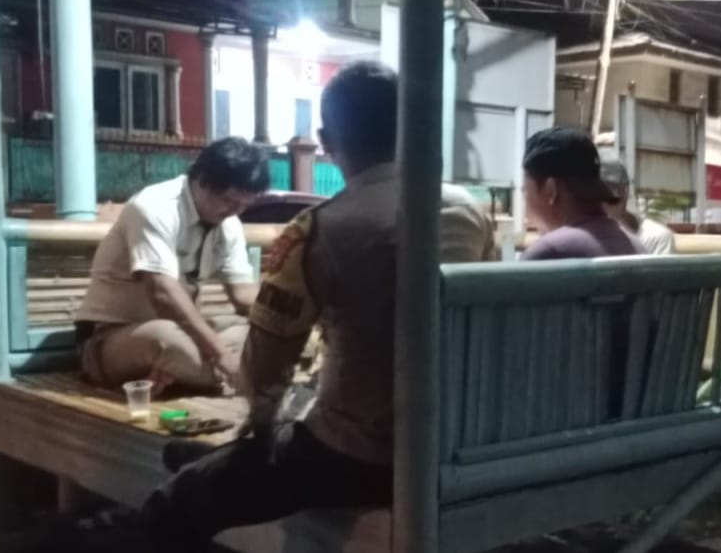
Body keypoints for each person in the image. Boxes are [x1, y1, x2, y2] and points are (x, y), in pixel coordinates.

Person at [141, 60, 494, 552]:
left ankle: (210, 468)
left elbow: (264, 369)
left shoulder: (320, 229)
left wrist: (260, 432)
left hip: (355, 459)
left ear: (327, 142)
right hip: (454, 443)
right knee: (228, 460)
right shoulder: (470, 213)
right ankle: (211, 463)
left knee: (165, 508)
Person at [74, 137, 269, 395]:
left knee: (264, 336)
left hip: (181, 330)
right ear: (202, 181)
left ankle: (184, 372)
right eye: (229, 201)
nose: (236, 211)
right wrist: (221, 354)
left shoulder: (229, 224)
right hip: (111, 337)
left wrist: (288, 321)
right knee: (168, 341)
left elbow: (243, 293)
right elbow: (163, 293)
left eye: (245, 205)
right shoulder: (155, 206)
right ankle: (240, 374)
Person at [521, 127, 647, 260]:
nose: (525, 198)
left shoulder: (548, 252)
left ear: (550, 189)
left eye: (525, 189)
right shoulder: (635, 245)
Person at [599, 158, 676, 255]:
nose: (604, 203)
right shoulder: (584, 238)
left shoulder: (655, 238)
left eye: (611, 193)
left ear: (626, 192)